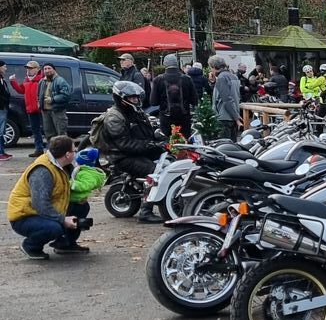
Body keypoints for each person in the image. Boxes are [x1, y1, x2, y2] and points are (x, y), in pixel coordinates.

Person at [7, 133, 89, 258]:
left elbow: (62, 192)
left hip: (41, 210)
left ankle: (65, 244)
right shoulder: (43, 171)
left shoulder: (64, 166)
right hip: (24, 216)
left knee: (81, 207)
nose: (76, 153)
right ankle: (30, 246)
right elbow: (40, 205)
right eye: (74, 150)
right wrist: (63, 220)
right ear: (67, 154)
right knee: (54, 228)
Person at [98, 79, 163, 222]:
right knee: (155, 171)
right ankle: (146, 212)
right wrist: (149, 145)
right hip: (122, 156)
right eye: (132, 98)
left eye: (136, 97)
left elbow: (145, 130)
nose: (136, 100)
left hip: (137, 151)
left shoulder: (134, 110)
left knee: (168, 158)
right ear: (120, 98)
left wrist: (159, 138)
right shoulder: (114, 117)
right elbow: (124, 144)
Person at [150, 53, 195, 141]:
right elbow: (194, 100)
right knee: (185, 143)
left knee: (167, 143)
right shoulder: (187, 79)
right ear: (177, 63)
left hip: (166, 118)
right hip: (184, 118)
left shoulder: (158, 80)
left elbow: (153, 102)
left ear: (165, 64)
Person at [209, 57, 242, 140]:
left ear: (214, 67)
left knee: (224, 144)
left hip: (224, 116)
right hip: (234, 113)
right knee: (232, 144)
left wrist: (236, 118)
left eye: (211, 68)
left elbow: (226, 99)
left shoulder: (221, 78)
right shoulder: (234, 76)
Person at [39, 63, 72, 139]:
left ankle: (63, 147)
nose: (47, 70)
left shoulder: (60, 81)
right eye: (45, 69)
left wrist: (53, 99)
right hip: (45, 111)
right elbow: (38, 94)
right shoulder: (42, 81)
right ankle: (51, 147)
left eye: (49, 68)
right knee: (48, 134)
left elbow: (66, 95)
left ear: (54, 70)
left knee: (61, 133)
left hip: (58, 111)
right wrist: (39, 102)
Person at [0, 64, 12, 158]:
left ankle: (2, 151)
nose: (5, 68)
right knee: (0, 130)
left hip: (3, 107)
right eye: (4, 66)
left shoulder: (2, 79)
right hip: (1, 107)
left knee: (2, 130)